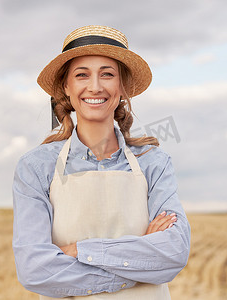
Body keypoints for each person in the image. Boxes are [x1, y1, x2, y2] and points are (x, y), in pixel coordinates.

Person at [12, 25, 191, 299]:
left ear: (122, 86)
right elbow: (35, 269)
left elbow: (174, 252)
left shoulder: (154, 162)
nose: (95, 86)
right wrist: (140, 258)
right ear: (66, 86)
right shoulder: (36, 167)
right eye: (82, 75)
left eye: (107, 74)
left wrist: (81, 251)